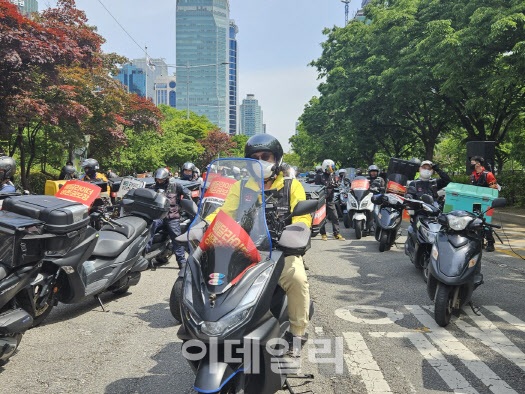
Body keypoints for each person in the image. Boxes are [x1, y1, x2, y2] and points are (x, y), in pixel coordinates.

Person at [206, 134, 312, 354]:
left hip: (282, 251)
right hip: (246, 249)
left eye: (266, 156)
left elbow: (303, 217)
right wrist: (205, 223)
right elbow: (223, 213)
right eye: (255, 157)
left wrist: (297, 232)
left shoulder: (292, 185)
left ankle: (297, 333)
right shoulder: (240, 186)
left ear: (277, 160)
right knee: (215, 281)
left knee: (297, 280)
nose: (261, 161)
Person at [147, 168, 191, 268]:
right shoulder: (153, 188)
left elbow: (187, 193)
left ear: (166, 178)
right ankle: (144, 256)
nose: (159, 181)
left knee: (176, 237)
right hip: (158, 216)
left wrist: (184, 205)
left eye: (161, 179)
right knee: (148, 229)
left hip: (172, 216)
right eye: (158, 179)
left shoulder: (175, 186)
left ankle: (182, 262)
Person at [470, 156, 498, 252]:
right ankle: (480, 241)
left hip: (486, 202)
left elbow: (494, 189)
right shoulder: (473, 175)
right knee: (476, 221)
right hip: (476, 202)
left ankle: (490, 243)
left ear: (478, 164)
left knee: (486, 223)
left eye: (472, 162)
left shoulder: (488, 175)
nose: (471, 164)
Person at [316, 159, 345, 241]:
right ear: (324, 167)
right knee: (322, 218)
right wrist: (329, 185)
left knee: (335, 216)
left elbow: (335, 183)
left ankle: (336, 234)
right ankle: (323, 234)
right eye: (329, 169)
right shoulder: (319, 175)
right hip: (322, 199)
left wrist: (336, 184)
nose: (331, 171)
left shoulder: (332, 175)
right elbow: (317, 187)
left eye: (332, 169)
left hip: (330, 199)